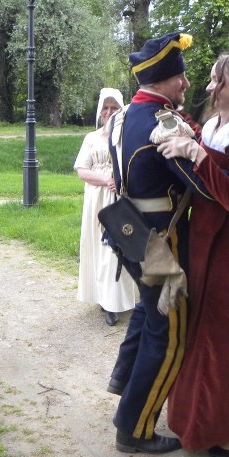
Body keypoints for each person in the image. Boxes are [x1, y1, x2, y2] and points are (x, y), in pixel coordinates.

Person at [159, 54, 229, 457]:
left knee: (225, 332)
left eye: (217, 82)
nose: (209, 88)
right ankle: (195, 420)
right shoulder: (211, 125)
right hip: (202, 237)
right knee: (197, 325)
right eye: (210, 80)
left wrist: (198, 155)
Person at [105, 32, 212, 454]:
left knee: (148, 317)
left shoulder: (125, 116)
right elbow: (202, 187)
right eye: (180, 77)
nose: (186, 85)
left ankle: (123, 381)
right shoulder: (163, 123)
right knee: (167, 330)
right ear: (164, 79)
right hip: (158, 242)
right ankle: (135, 428)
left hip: (129, 231)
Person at [74, 88, 138, 326]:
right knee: (101, 249)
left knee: (119, 249)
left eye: (114, 108)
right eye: (106, 108)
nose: (109, 112)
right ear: (100, 111)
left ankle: (120, 299)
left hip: (121, 198)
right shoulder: (91, 138)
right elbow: (81, 170)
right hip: (97, 199)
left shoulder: (126, 137)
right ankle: (106, 300)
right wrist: (105, 180)